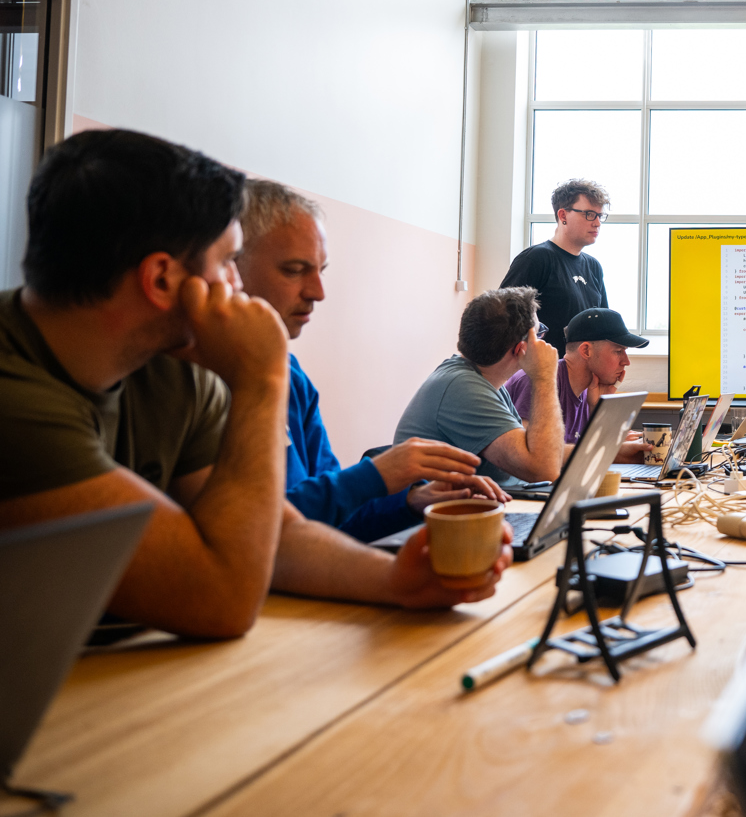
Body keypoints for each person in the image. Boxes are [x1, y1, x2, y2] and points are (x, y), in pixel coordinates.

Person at [0, 129, 510, 639]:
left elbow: (276, 534)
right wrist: (263, 378)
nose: (237, 285)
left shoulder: (175, 364)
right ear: (161, 281)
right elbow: (222, 596)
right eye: (226, 262)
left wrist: (398, 581)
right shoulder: (16, 403)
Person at [236, 179, 508, 543]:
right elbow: (265, 528)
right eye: (293, 270)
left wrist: (413, 500)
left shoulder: (292, 375)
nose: (318, 292)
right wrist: (375, 476)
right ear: (228, 268)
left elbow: (332, 517)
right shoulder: (201, 383)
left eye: (320, 270)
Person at [393, 287, 564, 485]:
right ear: (521, 348)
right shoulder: (462, 388)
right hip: (439, 514)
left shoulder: (485, 380)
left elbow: (533, 448)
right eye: (539, 332)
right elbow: (544, 469)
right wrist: (544, 377)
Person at [505, 307, 647, 443]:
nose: (626, 362)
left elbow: (585, 457)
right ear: (586, 351)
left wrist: (597, 408)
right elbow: (532, 460)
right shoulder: (537, 379)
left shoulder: (589, 391)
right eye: (618, 351)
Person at [499, 179, 610, 353]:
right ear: (563, 215)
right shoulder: (536, 259)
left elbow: (603, 324)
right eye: (589, 214)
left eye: (600, 216)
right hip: (542, 373)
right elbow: (504, 318)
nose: (597, 223)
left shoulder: (594, 266)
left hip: (580, 374)